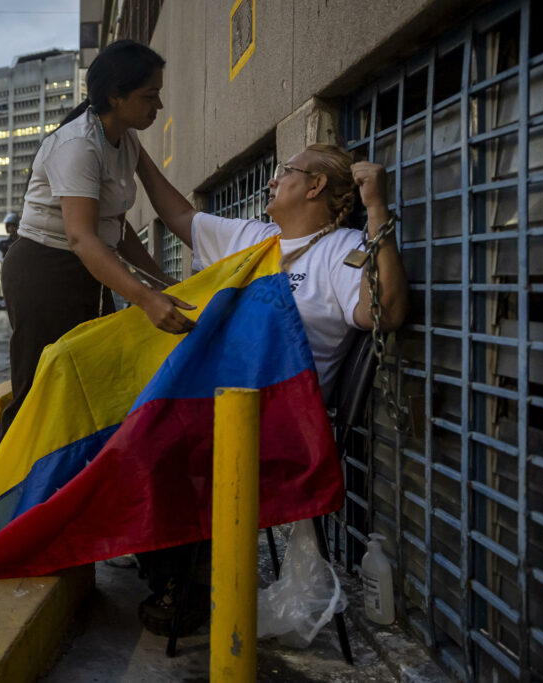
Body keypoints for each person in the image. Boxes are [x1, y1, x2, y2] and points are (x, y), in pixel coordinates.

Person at [131, 142, 409, 634]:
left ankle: (185, 584)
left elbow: (385, 310)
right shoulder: (255, 239)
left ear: (315, 185)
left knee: (157, 444)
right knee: (131, 423)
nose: (271, 181)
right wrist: (136, 154)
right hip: (224, 405)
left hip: (281, 426)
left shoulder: (342, 250)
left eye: (284, 172)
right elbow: (178, 213)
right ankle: (172, 570)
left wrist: (376, 209)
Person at [0, 39, 188, 448]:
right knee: (39, 391)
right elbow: (82, 237)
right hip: (44, 271)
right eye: (150, 96)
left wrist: (162, 281)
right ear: (116, 96)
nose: (159, 107)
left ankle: (65, 493)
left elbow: (121, 226)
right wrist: (145, 297)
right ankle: (5, 504)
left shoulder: (126, 141)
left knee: (85, 389)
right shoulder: (79, 145)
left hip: (89, 268)